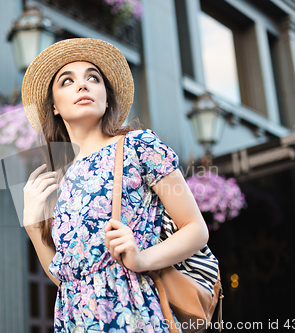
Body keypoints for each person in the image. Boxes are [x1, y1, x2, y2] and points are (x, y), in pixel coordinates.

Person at [21, 38, 209, 332]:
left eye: (92, 78)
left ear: (106, 98)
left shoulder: (138, 146)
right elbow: (66, 279)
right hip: (76, 321)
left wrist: (141, 257)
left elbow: (196, 229)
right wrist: (32, 226)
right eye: (67, 81)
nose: (82, 86)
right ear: (54, 106)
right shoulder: (60, 181)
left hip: (133, 313)